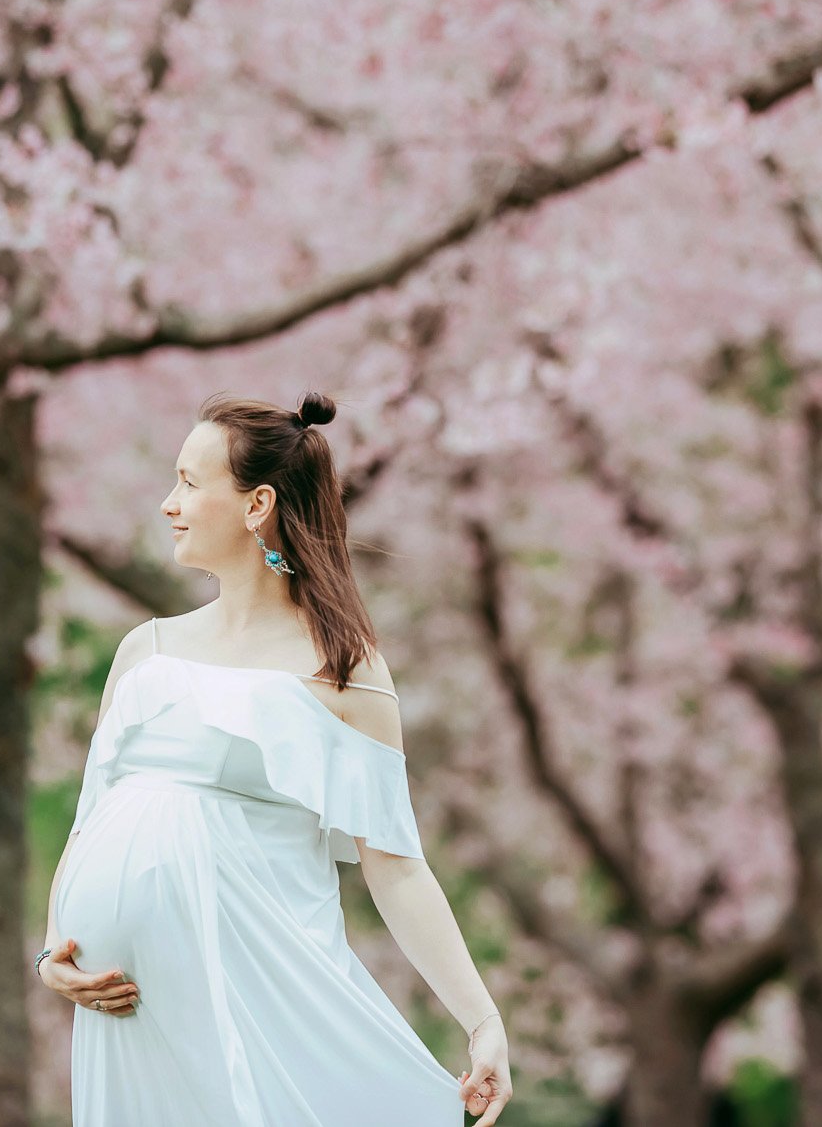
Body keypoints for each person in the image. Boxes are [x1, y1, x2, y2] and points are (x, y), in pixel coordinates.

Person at [36, 390, 513, 1125]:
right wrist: (52, 949)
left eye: (190, 483)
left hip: (262, 997)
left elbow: (397, 864)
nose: (169, 503)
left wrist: (482, 1020)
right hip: (129, 1016)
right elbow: (90, 824)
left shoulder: (345, 673)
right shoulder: (145, 648)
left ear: (257, 502)